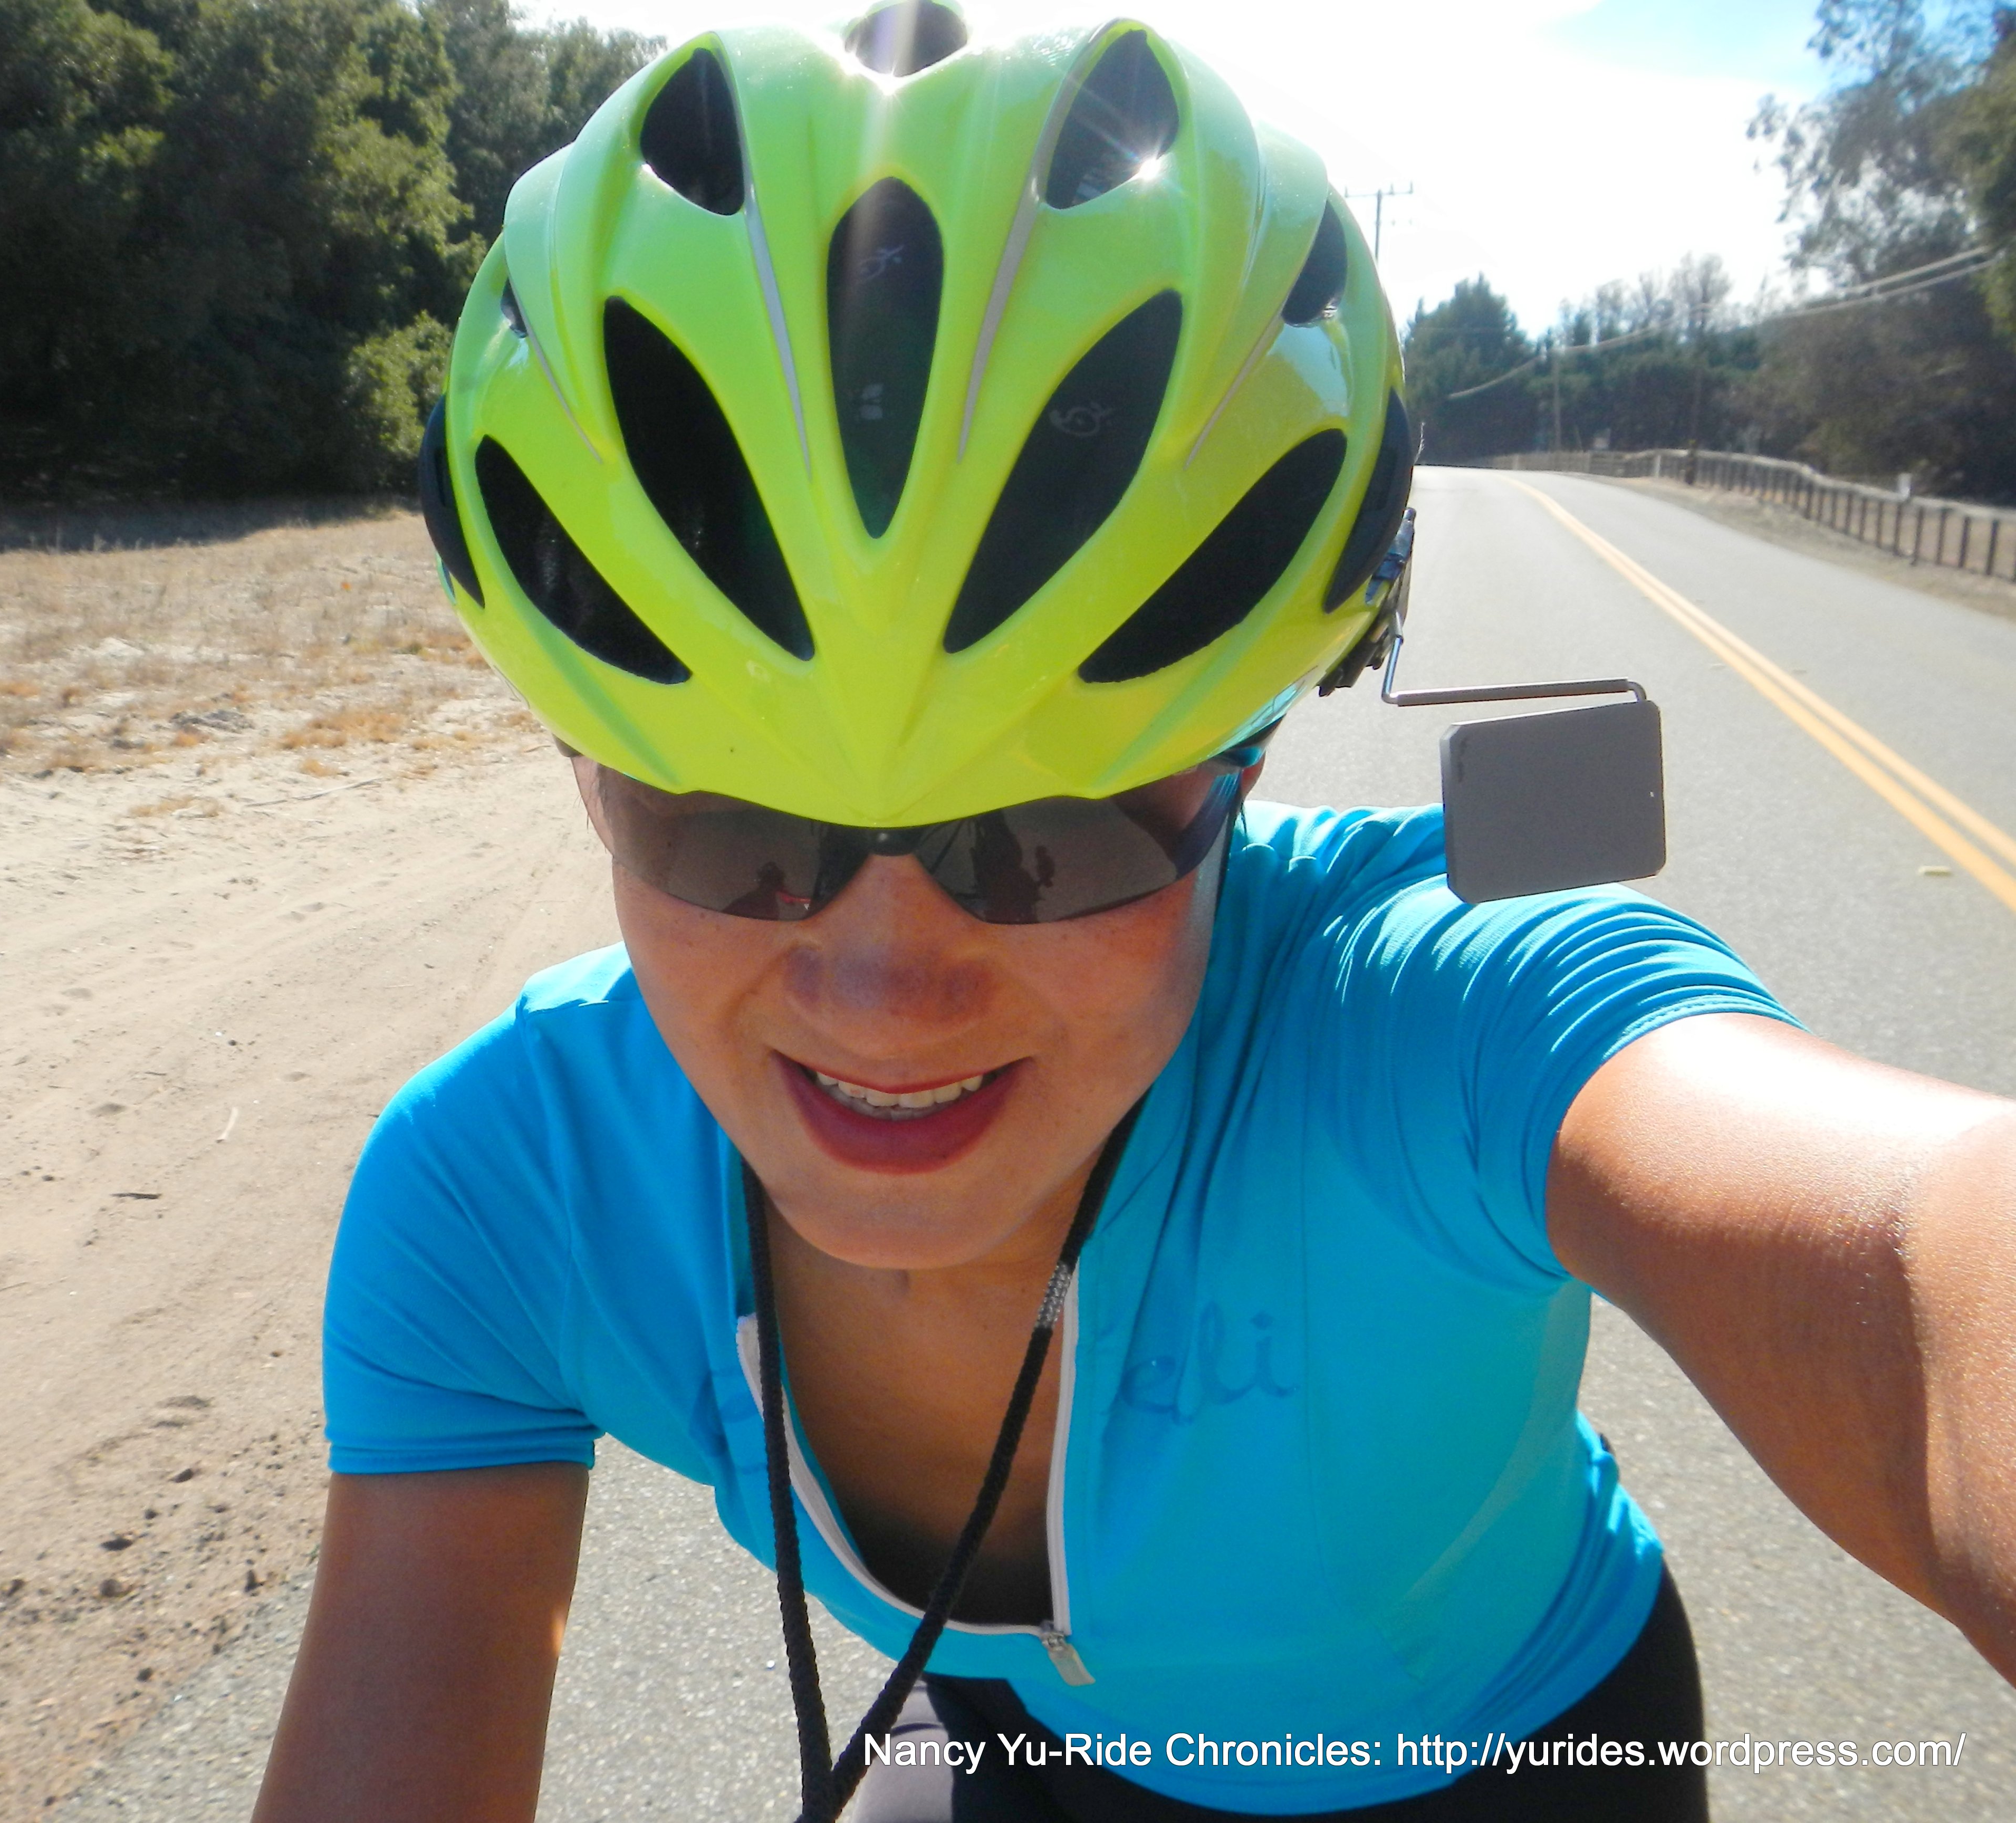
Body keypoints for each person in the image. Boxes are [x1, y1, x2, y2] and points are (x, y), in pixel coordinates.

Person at [251, 8, 2016, 1819]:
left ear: (1238, 771)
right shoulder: (505, 1194)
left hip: (1527, 1755)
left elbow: (1925, 1256)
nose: (884, 991)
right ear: (588, 778)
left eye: (1044, 840)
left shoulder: (1436, 1024)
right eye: (735, 838)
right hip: (1030, 1751)